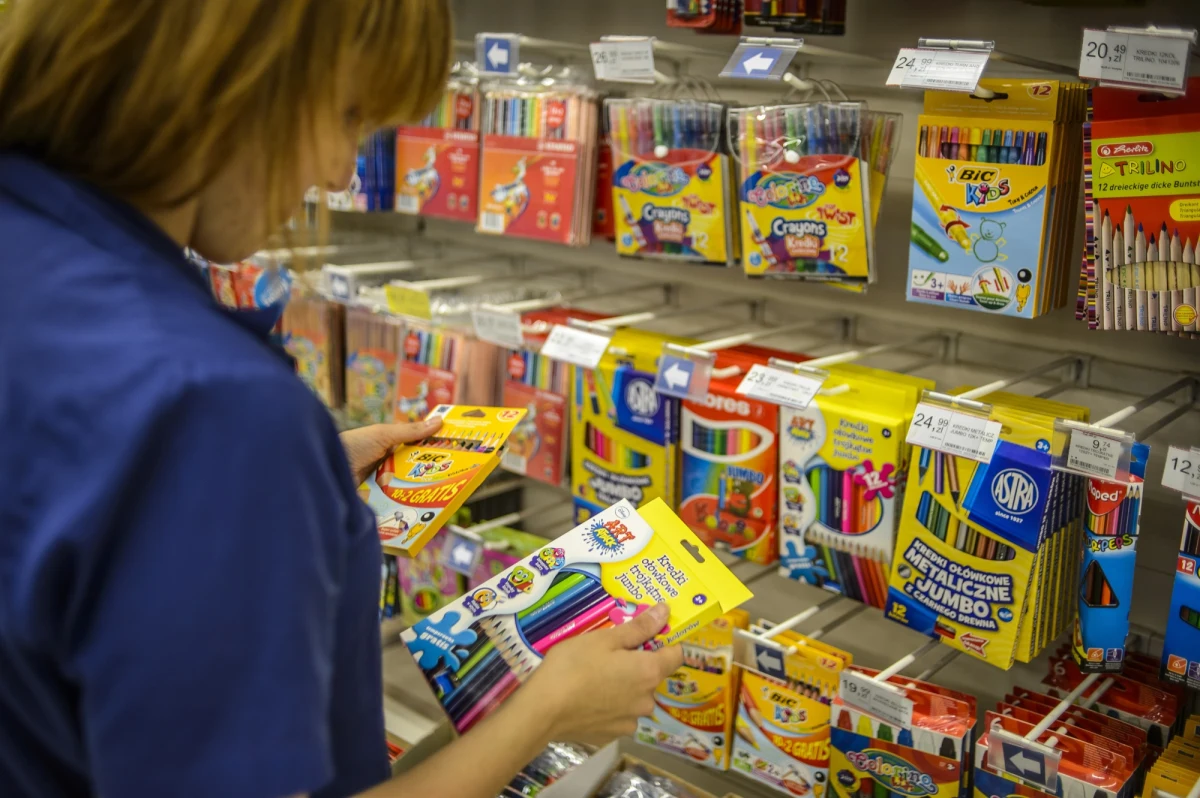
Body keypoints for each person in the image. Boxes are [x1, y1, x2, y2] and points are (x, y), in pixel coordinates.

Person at [0, 2, 683, 797]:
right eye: (350, 114)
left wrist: (290, 482)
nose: (337, 172)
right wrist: (543, 713)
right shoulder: (208, 410)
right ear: (232, 74)